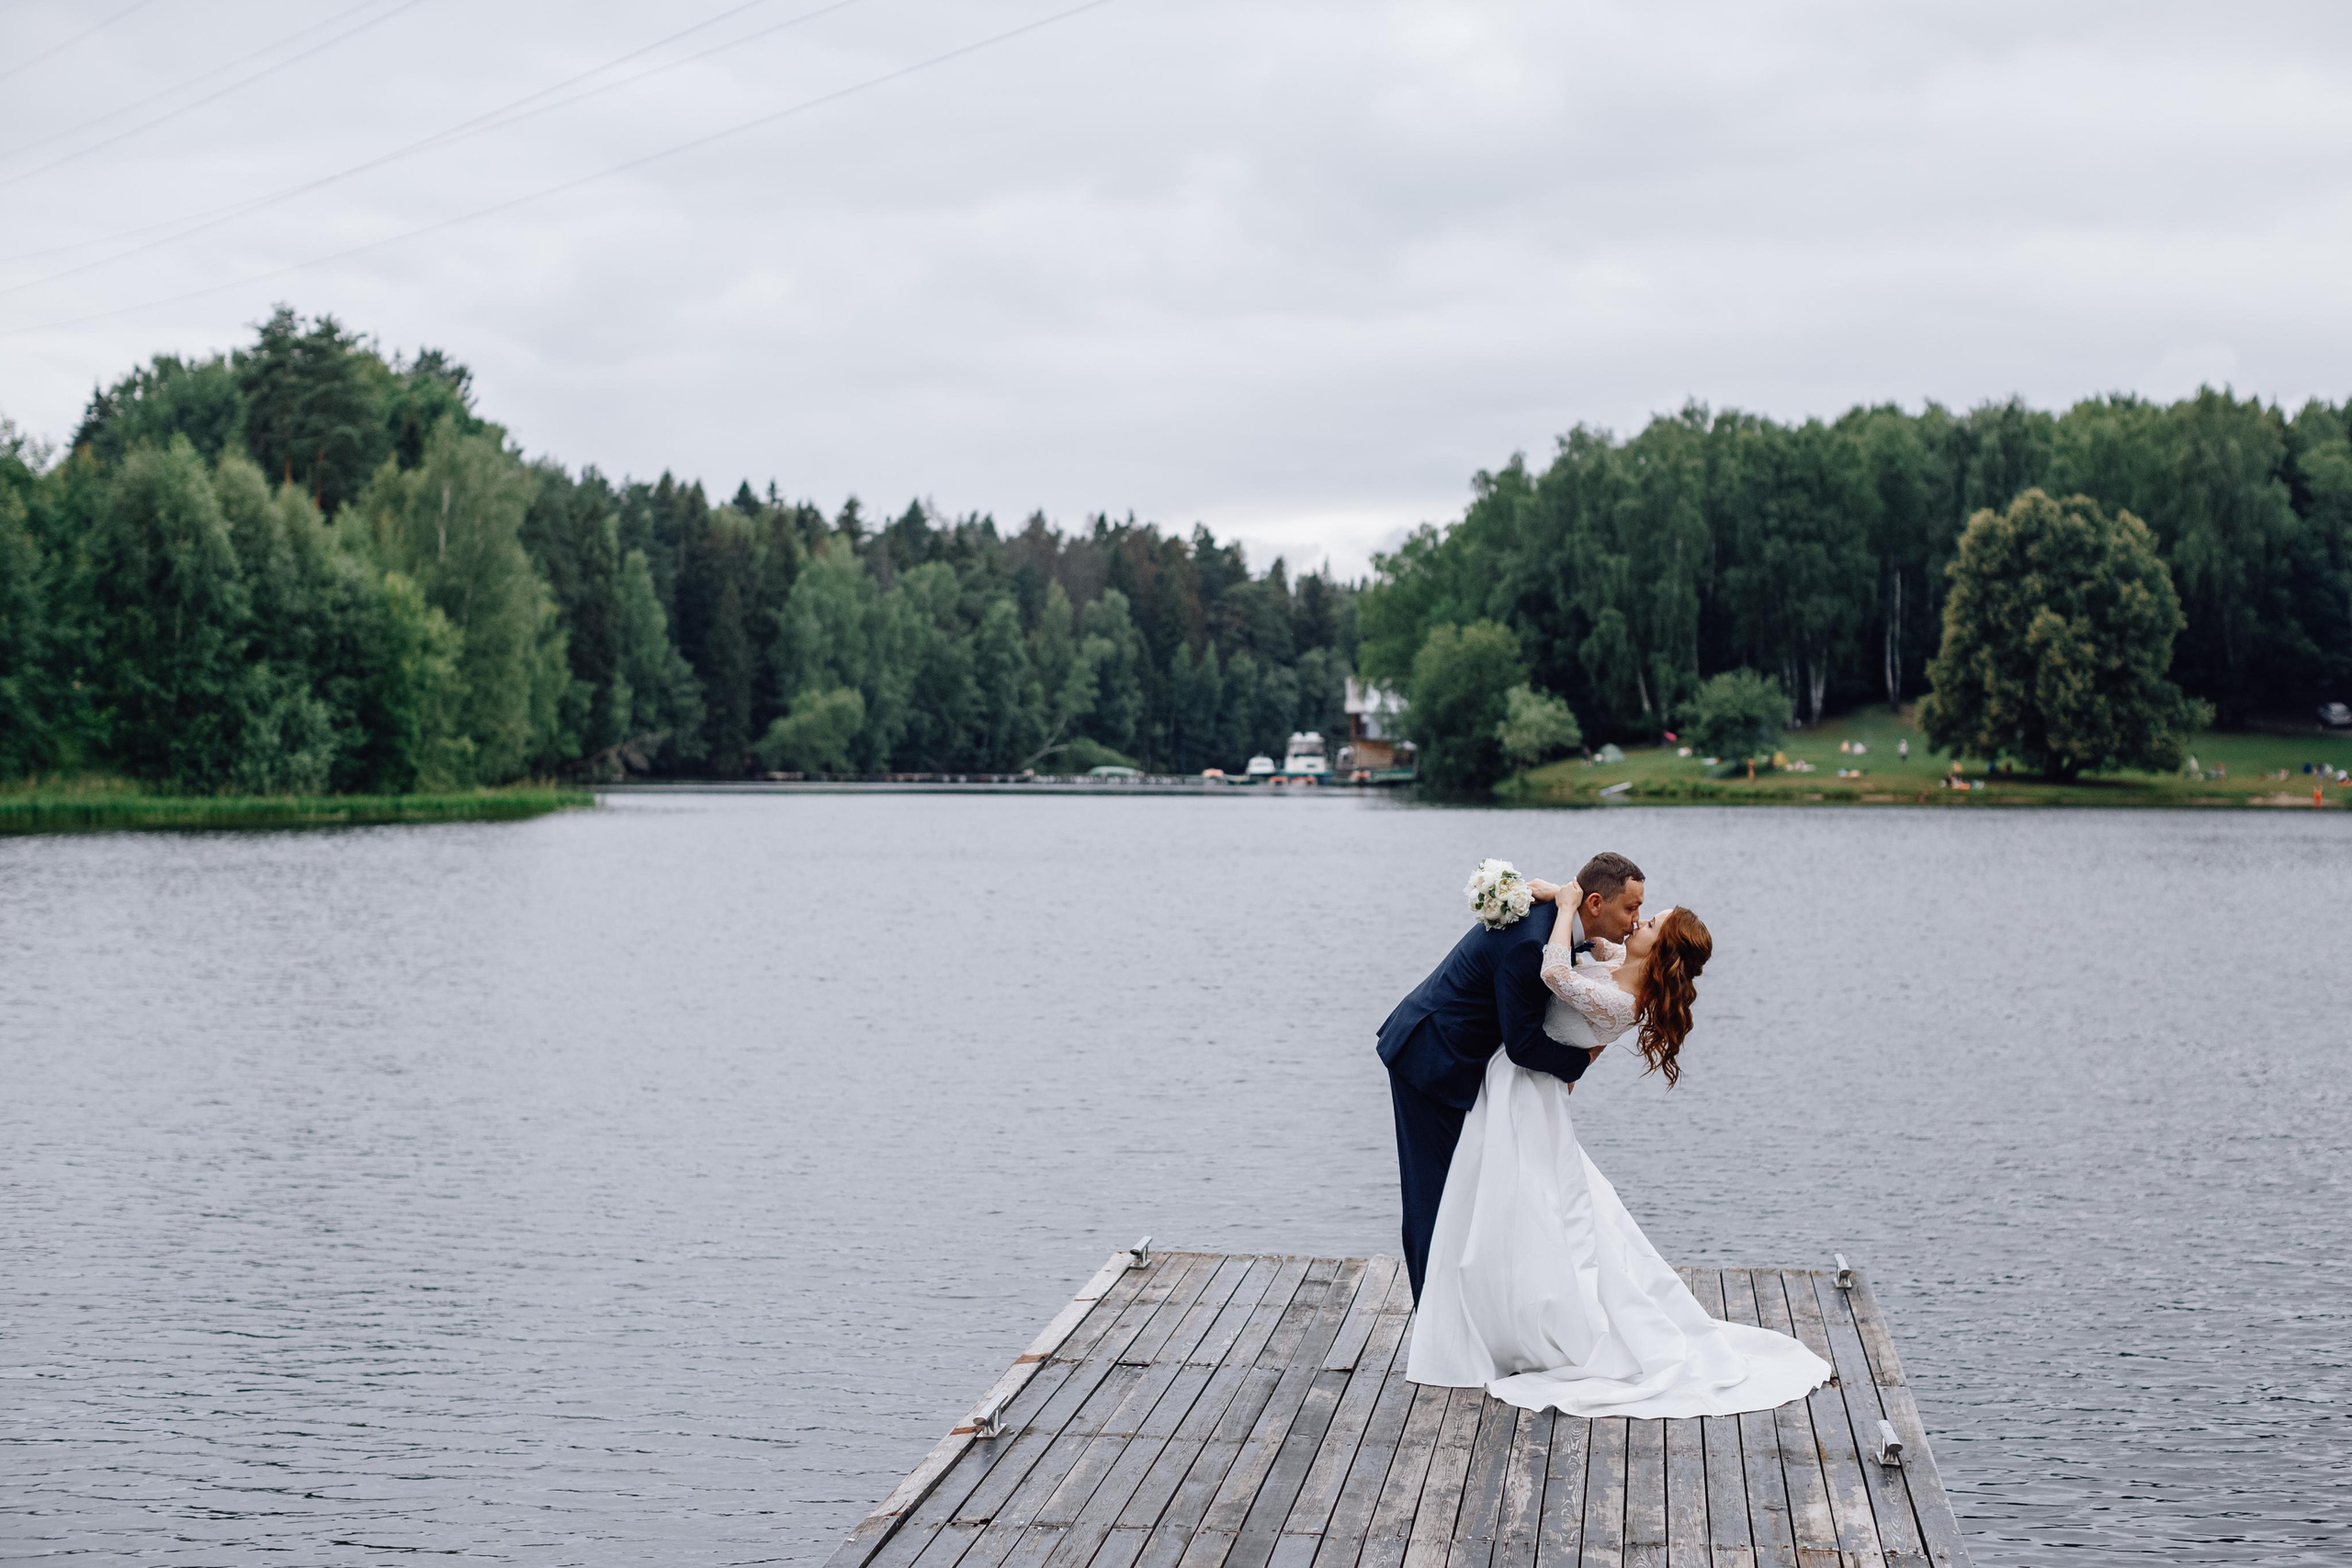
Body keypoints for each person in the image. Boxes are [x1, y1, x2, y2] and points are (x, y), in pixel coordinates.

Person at [1402, 875, 1830, 1418]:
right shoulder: (1619, 964)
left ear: (1662, 950)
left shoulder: (1624, 999)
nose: (1638, 922)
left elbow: (1555, 971)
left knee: (1526, 1202)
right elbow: (1596, 937)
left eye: (1649, 923)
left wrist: (1563, 907)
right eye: (1639, 913)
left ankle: (1513, 1321)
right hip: (1518, 1086)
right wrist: (1559, 892)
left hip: (1527, 1091)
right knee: (1521, 1201)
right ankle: (1486, 1313)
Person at [1375, 852, 1646, 1302]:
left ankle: (1470, 1307)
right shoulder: (1533, 943)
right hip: (1431, 1058)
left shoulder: (1561, 928)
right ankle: (1434, 1317)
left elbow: (1595, 958)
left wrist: (1561, 895)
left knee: (1471, 1189)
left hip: (1461, 1062)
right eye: (1631, 908)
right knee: (1435, 1193)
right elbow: (1523, 1045)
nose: (1636, 920)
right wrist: (1582, 1062)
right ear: (1596, 903)